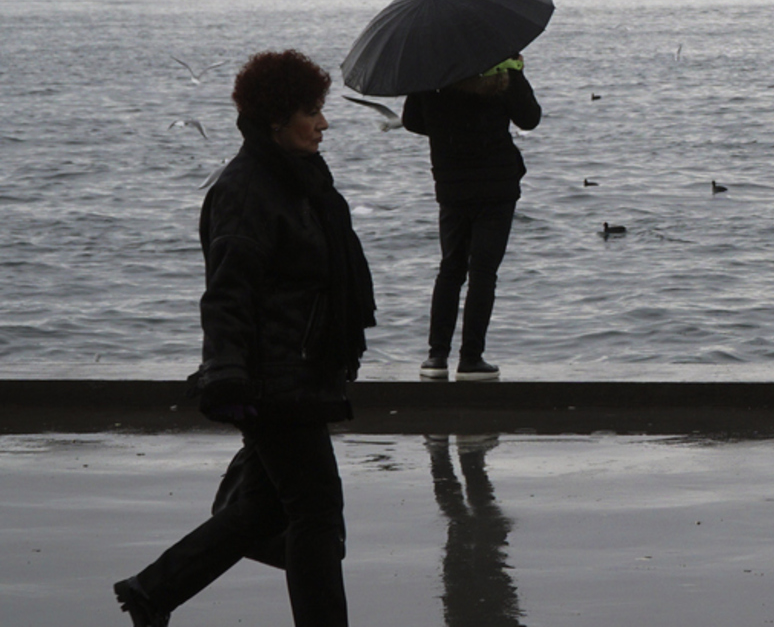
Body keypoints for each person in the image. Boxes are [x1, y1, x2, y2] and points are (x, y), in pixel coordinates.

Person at [116, 49, 377, 627]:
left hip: (302, 369)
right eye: (313, 111)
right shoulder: (245, 191)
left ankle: (152, 591)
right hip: (270, 380)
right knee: (315, 512)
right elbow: (227, 293)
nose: (324, 123)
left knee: (262, 507)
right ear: (276, 119)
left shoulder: (300, 182)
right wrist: (228, 376)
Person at [403, 55, 541, 381]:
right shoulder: (501, 69)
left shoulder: (431, 72)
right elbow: (530, 119)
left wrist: (446, 123)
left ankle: (436, 358)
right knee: (483, 272)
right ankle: (471, 359)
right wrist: (516, 71)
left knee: (450, 269)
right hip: (497, 186)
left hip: (451, 184)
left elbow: (412, 121)